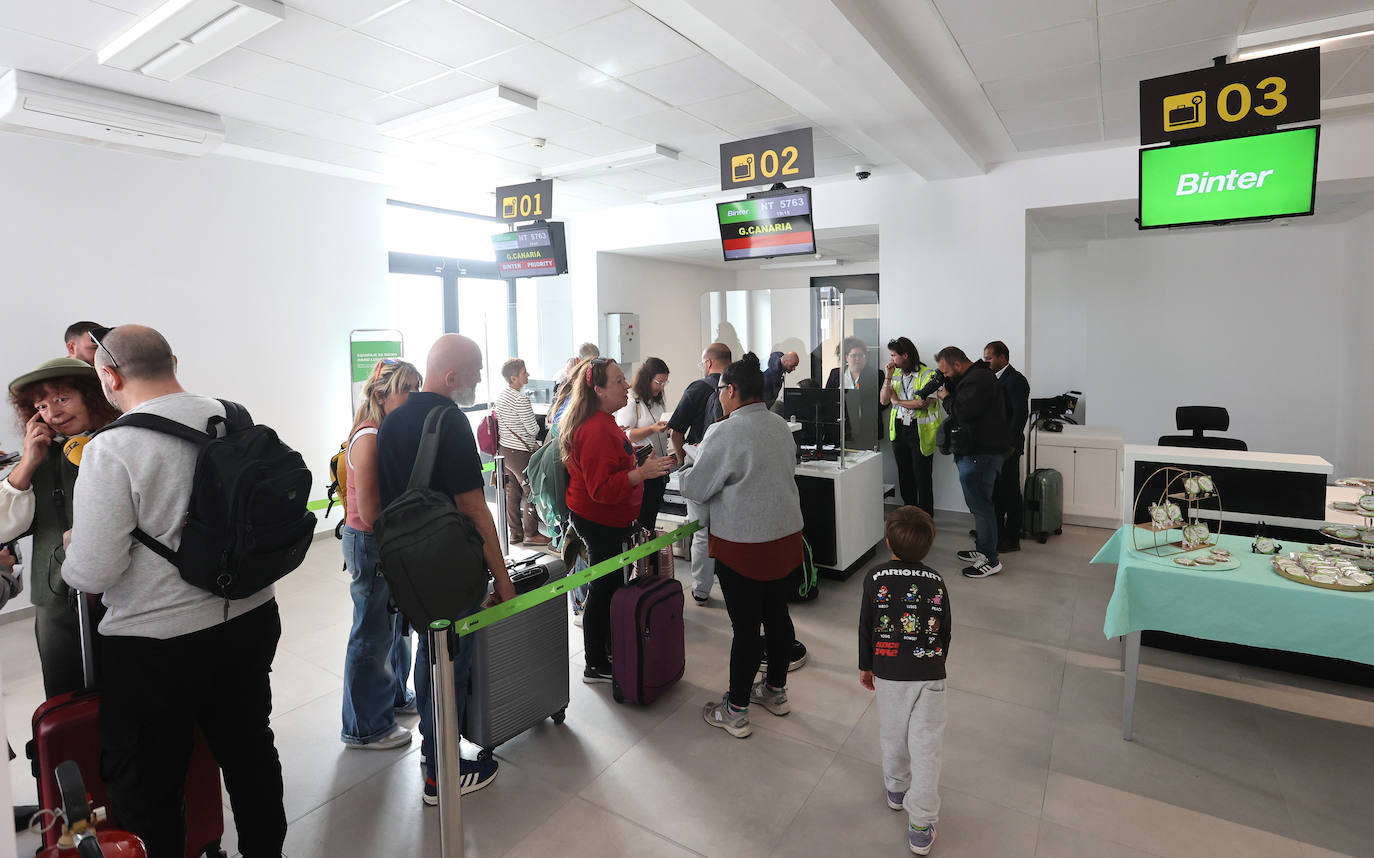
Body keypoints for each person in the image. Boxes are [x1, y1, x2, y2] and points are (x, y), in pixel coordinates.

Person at [61, 325, 287, 858]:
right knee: (250, 751)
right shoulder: (234, 418)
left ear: (107, 375)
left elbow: (92, 572)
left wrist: (73, 547)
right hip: (251, 615)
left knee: (150, 780)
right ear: (175, 362)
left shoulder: (110, 449)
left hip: (156, 644)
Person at [377, 334, 516, 804]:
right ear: (451, 375)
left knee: (430, 653)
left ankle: (433, 749)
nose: (480, 379)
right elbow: (476, 510)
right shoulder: (450, 421)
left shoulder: (394, 420)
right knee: (450, 665)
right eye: (476, 371)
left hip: (411, 568)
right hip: (450, 568)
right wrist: (502, 577)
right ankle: (443, 775)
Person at [679, 353, 803, 739]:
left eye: (722, 391)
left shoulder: (725, 431)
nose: (720, 397)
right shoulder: (780, 425)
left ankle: (734, 710)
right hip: (785, 539)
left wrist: (683, 469)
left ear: (732, 390)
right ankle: (776, 691)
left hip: (744, 546)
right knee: (777, 616)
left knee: (746, 628)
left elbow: (699, 487)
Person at [1, 356, 120, 697]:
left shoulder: (118, 441)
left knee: (129, 681)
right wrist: (27, 463)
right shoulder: (40, 455)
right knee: (65, 686)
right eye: (41, 405)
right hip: (55, 590)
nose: (52, 412)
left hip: (123, 588)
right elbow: (4, 528)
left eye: (62, 399)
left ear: (92, 396)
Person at [560, 357, 674, 685]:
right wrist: (641, 472)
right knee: (604, 587)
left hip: (609, 518)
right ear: (597, 389)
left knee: (610, 586)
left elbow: (610, 467)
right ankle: (595, 662)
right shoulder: (594, 429)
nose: (626, 385)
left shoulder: (604, 420)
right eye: (619, 381)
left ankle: (607, 648)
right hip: (599, 519)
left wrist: (633, 458)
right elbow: (601, 490)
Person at [339, 358, 422, 751]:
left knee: (393, 630)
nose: (415, 398)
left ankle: (393, 698)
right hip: (371, 543)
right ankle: (365, 728)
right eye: (409, 390)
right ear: (381, 394)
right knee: (371, 636)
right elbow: (372, 513)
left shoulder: (386, 430)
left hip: (385, 541)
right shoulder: (369, 436)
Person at [859, 506, 949, 856]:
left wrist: (867, 666)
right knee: (927, 747)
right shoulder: (937, 581)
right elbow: (945, 630)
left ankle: (897, 790)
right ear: (928, 547)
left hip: (889, 671)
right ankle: (921, 825)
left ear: (887, 542)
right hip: (930, 674)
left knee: (893, 733)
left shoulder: (875, 577)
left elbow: (867, 627)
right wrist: (937, 663)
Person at [934, 346, 1010, 579]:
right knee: (979, 505)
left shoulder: (978, 380)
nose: (945, 377)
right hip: (978, 452)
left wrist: (946, 398)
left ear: (957, 365)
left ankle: (990, 559)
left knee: (981, 505)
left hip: (981, 454)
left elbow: (962, 411)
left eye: (946, 373)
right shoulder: (975, 377)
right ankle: (983, 549)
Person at [668, 342, 731, 604]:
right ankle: (729, 583)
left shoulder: (697, 388)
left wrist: (683, 461)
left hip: (703, 467)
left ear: (707, 363)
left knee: (701, 532)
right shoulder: (739, 388)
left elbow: (675, 432)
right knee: (729, 530)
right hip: (730, 469)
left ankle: (701, 589)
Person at [881, 338, 943, 517]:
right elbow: (884, 400)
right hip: (899, 429)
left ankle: (925, 517)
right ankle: (909, 513)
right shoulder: (896, 375)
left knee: (922, 476)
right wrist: (887, 377)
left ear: (905, 355)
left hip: (920, 431)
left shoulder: (928, 374)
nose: (891, 359)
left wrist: (898, 401)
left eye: (894, 355)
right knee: (904, 473)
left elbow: (923, 403)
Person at [494, 358, 548, 546]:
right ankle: (531, 533)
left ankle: (515, 534)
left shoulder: (502, 396)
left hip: (505, 450)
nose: (528, 375)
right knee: (532, 492)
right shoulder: (521, 399)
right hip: (520, 452)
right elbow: (533, 429)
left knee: (513, 493)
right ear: (513, 377)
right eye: (524, 373)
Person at [615, 357, 672, 530]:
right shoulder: (632, 401)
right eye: (659, 382)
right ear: (647, 379)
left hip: (659, 467)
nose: (661, 387)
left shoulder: (656, 401)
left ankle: (651, 555)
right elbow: (625, 434)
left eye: (664, 383)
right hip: (643, 469)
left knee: (652, 517)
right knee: (643, 519)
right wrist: (653, 429)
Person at [985, 341, 1030, 555]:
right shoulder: (992, 379)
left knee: (1010, 492)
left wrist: (1010, 445)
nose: (986, 361)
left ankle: (1012, 537)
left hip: (1008, 447)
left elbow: (1020, 415)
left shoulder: (1016, 380)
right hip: (994, 446)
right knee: (995, 491)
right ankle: (996, 532)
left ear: (1002, 357)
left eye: (989, 358)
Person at [826, 337, 882, 449]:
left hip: (866, 428)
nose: (858, 359)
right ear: (846, 357)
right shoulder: (836, 373)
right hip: (842, 427)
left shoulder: (876, 375)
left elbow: (882, 403)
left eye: (861, 355)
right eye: (854, 355)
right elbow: (828, 398)